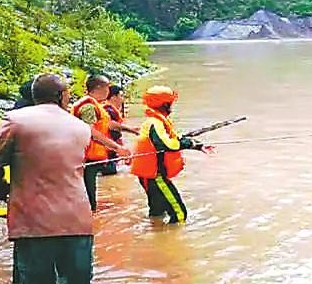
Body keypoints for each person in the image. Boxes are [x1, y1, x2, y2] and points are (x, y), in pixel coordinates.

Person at [0, 74, 130, 284]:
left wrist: (2, 190)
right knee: (79, 276)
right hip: (76, 216)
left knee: (37, 280)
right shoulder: (78, 126)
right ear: (61, 96)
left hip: (32, 219)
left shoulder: (15, 121)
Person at [130, 86, 212, 224]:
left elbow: (172, 140)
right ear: (165, 105)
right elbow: (167, 144)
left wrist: (198, 146)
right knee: (179, 214)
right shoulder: (156, 123)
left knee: (157, 212)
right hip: (156, 176)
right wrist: (189, 143)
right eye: (170, 103)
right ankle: (173, 236)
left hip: (148, 176)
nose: (172, 107)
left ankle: (154, 233)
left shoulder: (152, 122)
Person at [72, 74, 134, 209]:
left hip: (93, 156)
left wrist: (131, 130)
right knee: (88, 201)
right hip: (86, 157)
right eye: (107, 87)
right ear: (99, 88)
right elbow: (91, 131)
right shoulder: (88, 106)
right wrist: (117, 148)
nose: (109, 90)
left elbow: (108, 125)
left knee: (89, 197)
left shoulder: (96, 105)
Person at [100, 85, 137, 176]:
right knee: (110, 173)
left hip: (110, 150)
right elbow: (110, 125)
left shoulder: (110, 110)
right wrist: (131, 130)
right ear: (113, 97)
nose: (122, 99)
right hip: (106, 151)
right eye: (121, 96)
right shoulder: (107, 110)